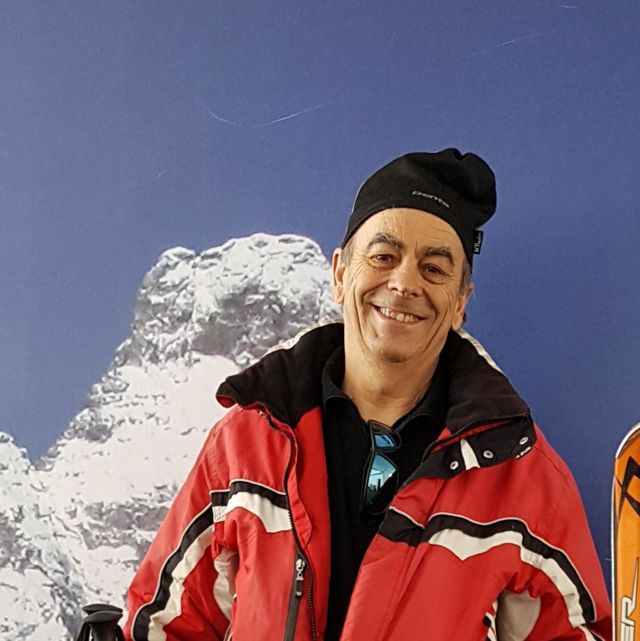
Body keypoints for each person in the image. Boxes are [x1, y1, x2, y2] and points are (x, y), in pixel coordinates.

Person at [124, 149, 611, 640]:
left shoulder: (522, 477)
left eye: (434, 269)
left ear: (461, 303)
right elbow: (166, 626)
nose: (404, 283)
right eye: (383, 257)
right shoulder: (245, 445)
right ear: (340, 274)